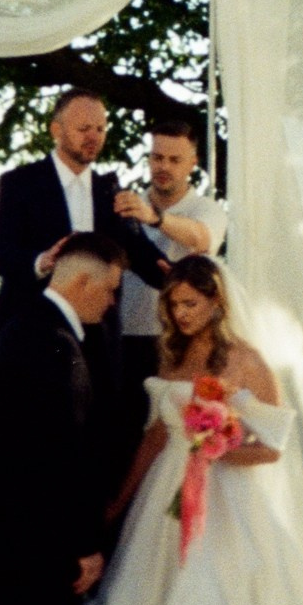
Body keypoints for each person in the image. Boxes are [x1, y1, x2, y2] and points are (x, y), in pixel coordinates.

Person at [88, 254, 303, 605]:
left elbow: (273, 448)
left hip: (225, 490)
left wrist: (218, 450)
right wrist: (119, 500)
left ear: (217, 302)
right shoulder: (172, 354)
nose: (180, 314)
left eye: (190, 304)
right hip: (167, 486)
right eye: (174, 304)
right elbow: (157, 435)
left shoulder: (248, 361)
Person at [0, 232, 125, 605]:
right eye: (109, 289)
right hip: (28, 533)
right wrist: (85, 545)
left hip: (13, 524)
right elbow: (63, 456)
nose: (111, 303)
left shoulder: (32, 325)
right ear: (83, 282)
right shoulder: (53, 342)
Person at [0, 89, 167, 364]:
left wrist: (183, 277)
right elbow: (0, 255)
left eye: (100, 129)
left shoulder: (110, 191)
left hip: (99, 346)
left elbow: (143, 256)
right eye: (84, 129)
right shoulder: (20, 183)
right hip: (30, 339)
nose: (93, 137)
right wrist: (42, 262)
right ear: (56, 130)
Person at [111, 112, 228, 456]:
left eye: (175, 160)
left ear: (193, 163)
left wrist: (155, 218)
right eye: (157, 157)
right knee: (121, 444)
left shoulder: (206, 209)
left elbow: (201, 238)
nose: (163, 166)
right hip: (121, 339)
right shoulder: (126, 205)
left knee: (169, 443)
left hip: (176, 344)